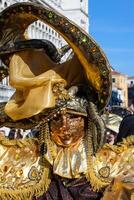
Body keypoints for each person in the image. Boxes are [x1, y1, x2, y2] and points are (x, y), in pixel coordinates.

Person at [0, 2, 133, 200]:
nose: (64, 125)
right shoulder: (26, 159)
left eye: (73, 117)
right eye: (56, 119)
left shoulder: (113, 164)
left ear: (87, 120)